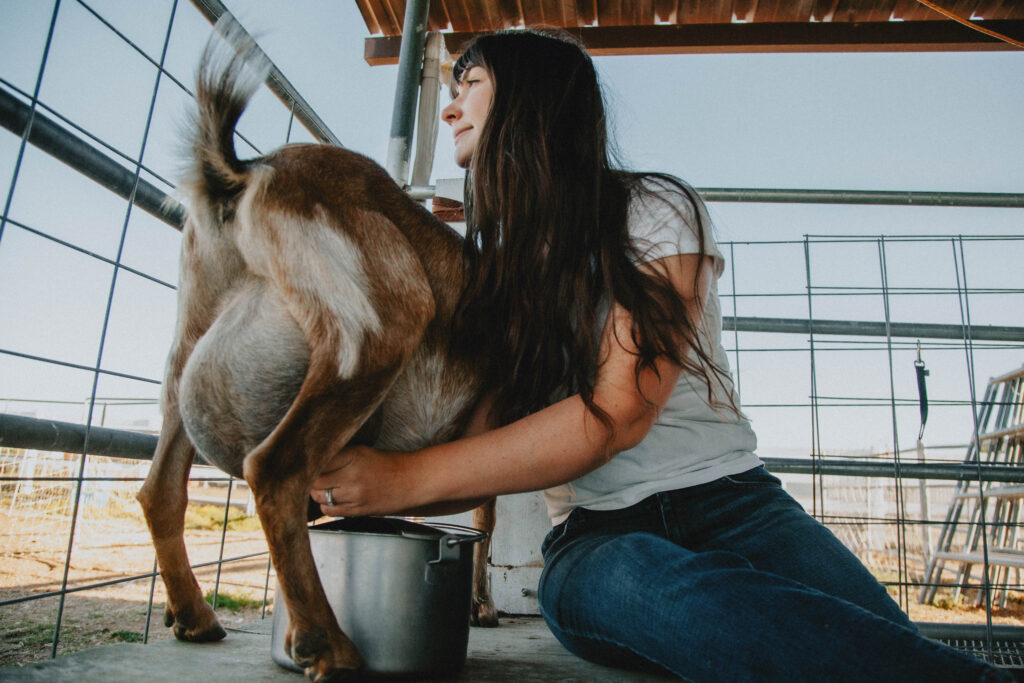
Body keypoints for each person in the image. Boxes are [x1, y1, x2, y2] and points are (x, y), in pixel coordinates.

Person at [313, 29, 1011, 682]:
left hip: (738, 505)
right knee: (687, 592)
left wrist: (399, 479)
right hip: (598, 540)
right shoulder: (503, 274)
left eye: (469, 83)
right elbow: (479, 452)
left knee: (882, 646)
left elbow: (617, 414)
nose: (450, 109)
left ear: (530, 97)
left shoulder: (654, 208)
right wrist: (350, 467)